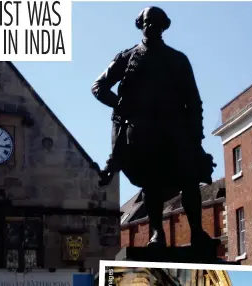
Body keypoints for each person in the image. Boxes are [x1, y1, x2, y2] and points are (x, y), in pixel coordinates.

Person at [91, 6, 218, 248]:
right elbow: (98, 86)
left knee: (190, 178)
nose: (152, 27)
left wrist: (196, 136)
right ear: (141, 24)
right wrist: (119, 103)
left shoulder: (178, 59)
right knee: (151, 182)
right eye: (148, 22)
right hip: (141, 131)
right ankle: (157, 233)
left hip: (175, 129)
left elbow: (193, 100)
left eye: (157, 24)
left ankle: (196, 232)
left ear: (164, 27)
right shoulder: (127, 58)